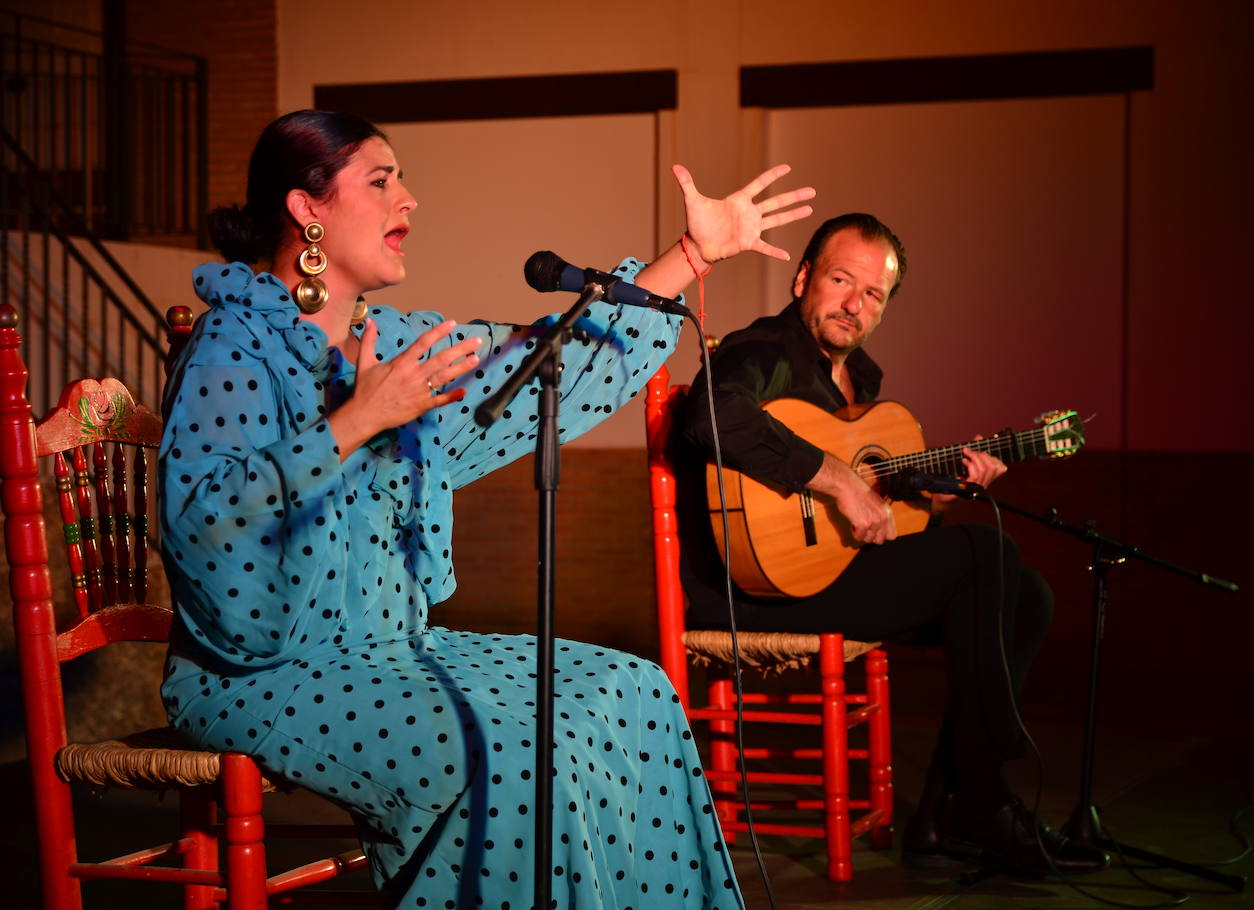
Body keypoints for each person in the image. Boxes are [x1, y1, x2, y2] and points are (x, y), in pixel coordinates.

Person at [158, 108, 815, 909]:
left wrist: (690, 256)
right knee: (511, 751)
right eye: (381, 179)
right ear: (309, 209)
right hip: (261, 674)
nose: (410, 199)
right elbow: (205, 526)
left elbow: (543, 366)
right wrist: (356, 421)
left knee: (635, 691)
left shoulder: (395, 340)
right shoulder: (233, 345)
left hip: (389, 648)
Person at [674, 212, 1107, 877]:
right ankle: (980, 806)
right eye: (842, 280)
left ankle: (943, 812)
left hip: (830, 576)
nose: (854, 303)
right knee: (985, 554)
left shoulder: (865, 385)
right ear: (803, 280)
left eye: (873, 294)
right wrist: (837, 481)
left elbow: (869, 520)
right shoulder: (762, 349)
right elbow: (710, 414)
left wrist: (931, 499)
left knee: (1028, 596)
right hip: (752, 589)